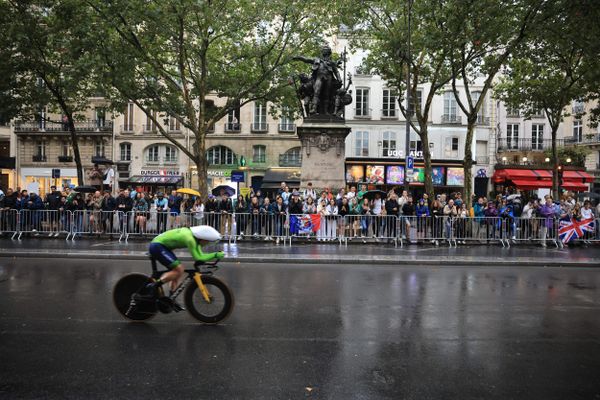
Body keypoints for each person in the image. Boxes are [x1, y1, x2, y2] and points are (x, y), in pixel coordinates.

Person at [146, 225, 225, 308]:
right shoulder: (190, 239)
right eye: (208, 241)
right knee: (179, 270)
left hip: (162, 246)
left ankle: (171, 297)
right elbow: (198, 258)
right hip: (157, 246)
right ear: (203, 238)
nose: (207, 244)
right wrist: (215, 255)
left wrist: (214, 255)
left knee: (176, 271)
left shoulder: (195, 239)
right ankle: (154, 285)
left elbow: (201, 256)